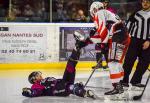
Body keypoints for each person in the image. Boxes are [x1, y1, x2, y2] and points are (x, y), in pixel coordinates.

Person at [73, 1, 130, 95]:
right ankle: (120, 84)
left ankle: (117, 87)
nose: (92, 14)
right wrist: (87, 41)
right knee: (117, 62)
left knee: (112, 63)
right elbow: (104, 35)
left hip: (118, 36)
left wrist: (103, 46)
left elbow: (104, 34)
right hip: (124, 36)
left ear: (94, 9)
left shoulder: (99, 13)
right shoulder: (107, 13)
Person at [22, 50, 95, 98]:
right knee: (69, 87)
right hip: (56, 90)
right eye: (37, 75)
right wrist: (30, 92)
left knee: (70, 68)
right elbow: (36, 92)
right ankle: (84, 93)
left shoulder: (43, 80)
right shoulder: (36, 85)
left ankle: (77, 49)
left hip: (62, 82)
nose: (39, 75)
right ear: (34, 80)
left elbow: (54, 81)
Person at [121, 0, 150, 88]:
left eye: (147, 2)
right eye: (144, 1)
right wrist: (125, 38)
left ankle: (136, 81)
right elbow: (128, 27)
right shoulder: (136, 14)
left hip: (148, 42)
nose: (145, 3)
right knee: (128, 62)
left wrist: (149, 40)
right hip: (134, 41)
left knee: (144, 63)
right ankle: (124, 80)